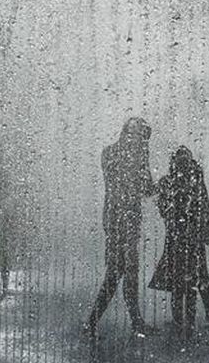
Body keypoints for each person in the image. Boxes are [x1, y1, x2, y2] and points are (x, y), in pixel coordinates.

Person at [85, 117, 157, 338]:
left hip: (120, 219)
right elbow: (143, 188)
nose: (143, 142)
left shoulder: (112, 153)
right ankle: (94, 323)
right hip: (121, 219)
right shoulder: (124, 155)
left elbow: (142, 189)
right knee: (120, 271)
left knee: (123, 271)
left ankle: (132, 322)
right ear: (131, 134)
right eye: (141, 138)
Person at [149, 146, 209, 340]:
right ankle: (181, 323)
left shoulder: (194, 182)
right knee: (181, 284)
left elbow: (204, 205)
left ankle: (188, 323)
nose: (183, 164)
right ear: (174, 163)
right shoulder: (170, 182)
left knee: (188, 283)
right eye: (180, 160)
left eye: (186, 160)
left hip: (188, 239)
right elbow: (162, 206)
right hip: (178, 239)